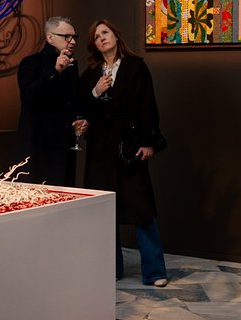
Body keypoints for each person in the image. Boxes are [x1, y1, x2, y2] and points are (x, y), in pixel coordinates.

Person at [80, 19, 168, 287]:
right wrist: (96, 91)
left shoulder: (136, 67)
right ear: (94, 45)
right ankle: (110, 268)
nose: (102, 38)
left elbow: (148, 105)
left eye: (105, 33)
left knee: (142, 208)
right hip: (100, 147)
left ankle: (154, 272)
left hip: (129, 145)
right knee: (104, 209)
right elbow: (81, 107)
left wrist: (148, 141)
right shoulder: (90, 73)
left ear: (116, 36)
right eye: (96, 37)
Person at [16, 16, 88, 186]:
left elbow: (73, 99)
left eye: (74, 37)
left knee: (65, 191)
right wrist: (55, 71)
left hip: (65, 143)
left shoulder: (72, 65)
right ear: (50, 37)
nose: (72, 42)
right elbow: (29, 96)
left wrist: (81, 117)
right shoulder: (30, 62)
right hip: (39, 144)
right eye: (67, 37)